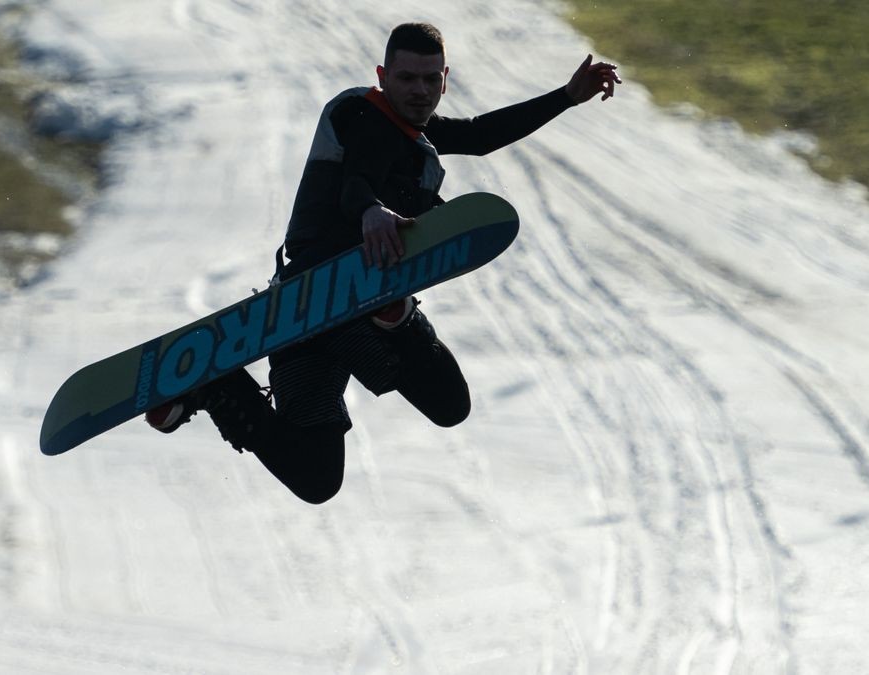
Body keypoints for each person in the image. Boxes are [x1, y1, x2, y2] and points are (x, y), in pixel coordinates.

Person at [145, 22, 621, 504]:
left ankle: (221, 388)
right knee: (433, 412)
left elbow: (479, 135)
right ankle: (389, 321)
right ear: (382, 75)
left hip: (311, 310)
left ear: (444, 79)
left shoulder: (414, 127)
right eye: (407, 78)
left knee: (325, 475)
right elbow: (358, 179)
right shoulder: (359, 114)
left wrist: (565, 96)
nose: (419, 90)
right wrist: (371, 211)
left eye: (430, 79)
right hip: (321, 292)